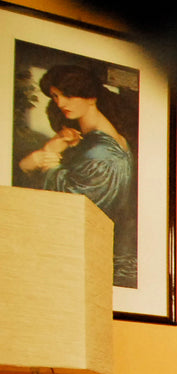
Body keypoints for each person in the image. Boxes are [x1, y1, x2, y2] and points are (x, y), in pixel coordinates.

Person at [16, 64, 137, 287]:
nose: (61, 103)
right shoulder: (88, 140)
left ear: (91, 97)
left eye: (68, 95)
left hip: (89, 260)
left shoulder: (103, 152)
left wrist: (47, 158)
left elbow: (72, 200)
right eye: (56, 96)